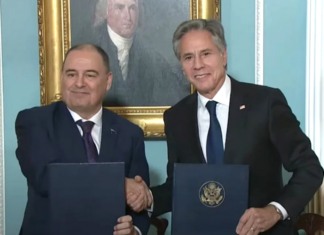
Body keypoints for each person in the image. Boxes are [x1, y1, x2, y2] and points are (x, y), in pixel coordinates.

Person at [126, 19, 324, 235]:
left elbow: (309, 168)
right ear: (182, 67)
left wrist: (274, 211)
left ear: (224, 55)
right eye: (188, 57)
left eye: (206, 53)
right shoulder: (176, 117)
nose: (198, 65)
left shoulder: (265, 102)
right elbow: (180, 186)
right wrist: (147, 197)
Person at [15, 44, 150, 235]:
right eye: (71, 74)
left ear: (108, 81)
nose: (79, 83)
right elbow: (48, 179)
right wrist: (118, 183)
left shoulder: (130, 133)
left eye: (90, 75)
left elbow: (140, 200)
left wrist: (134, 230)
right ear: (62, 78)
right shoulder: (34, 122)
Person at [72, 0, 190, 107]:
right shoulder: (89, 48)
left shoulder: (151, 56)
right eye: (120, 8)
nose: (127, 16)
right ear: (107, 11)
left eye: (132, 8)